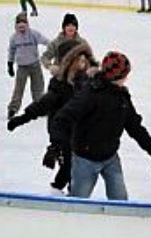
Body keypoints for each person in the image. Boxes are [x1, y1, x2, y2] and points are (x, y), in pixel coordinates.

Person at [52, 51, 151, 200]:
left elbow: (135, 127)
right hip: (85, 160)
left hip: (110, 158)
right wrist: (56, 145)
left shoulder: (122, 97)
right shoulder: (90, 95)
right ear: (117, 77)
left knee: (120, 201)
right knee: (78, 203)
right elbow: (62, 118)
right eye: (125, 75)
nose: (127, 78)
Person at [7, 43, 98, 193]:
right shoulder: (60, 85)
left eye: (85, 60)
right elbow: (41, 105)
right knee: (70, 166)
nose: (83, 64)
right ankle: (60, 192)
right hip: (62, 134)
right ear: (70, 62)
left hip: (82, 135)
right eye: (79, 60)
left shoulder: (92, 83)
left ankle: (61, 191)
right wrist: (21, 119)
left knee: (75, 168)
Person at [6, 12, 48, 118]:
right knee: (18, 89)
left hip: (35, 66)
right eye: (19, 25)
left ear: (27, 24)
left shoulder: (34, 34)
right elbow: (11, 51)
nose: (22, 27)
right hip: (22, 67)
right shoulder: (14, 38)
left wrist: (53, 46)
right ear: (16, 26)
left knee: (38, 88)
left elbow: (45, 41)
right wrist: (10, 64)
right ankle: (13, 109)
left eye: (24, 24)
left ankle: (40, 107)